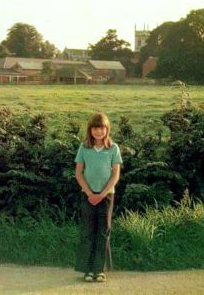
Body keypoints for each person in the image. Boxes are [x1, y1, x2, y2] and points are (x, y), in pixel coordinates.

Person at [74, 112, 123, 283]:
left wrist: (102, 194)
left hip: (107, 196)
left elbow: (115, 175)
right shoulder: (84, 147)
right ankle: (87, 270)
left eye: (101, 128)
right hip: (87, 195)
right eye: (95, 128)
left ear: (106, 129)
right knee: (87, 231)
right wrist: (89, 193)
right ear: (90, 130)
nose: (98, 132)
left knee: (103, 232)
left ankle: (99, 270)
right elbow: (79, 173)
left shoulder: (113, 148)